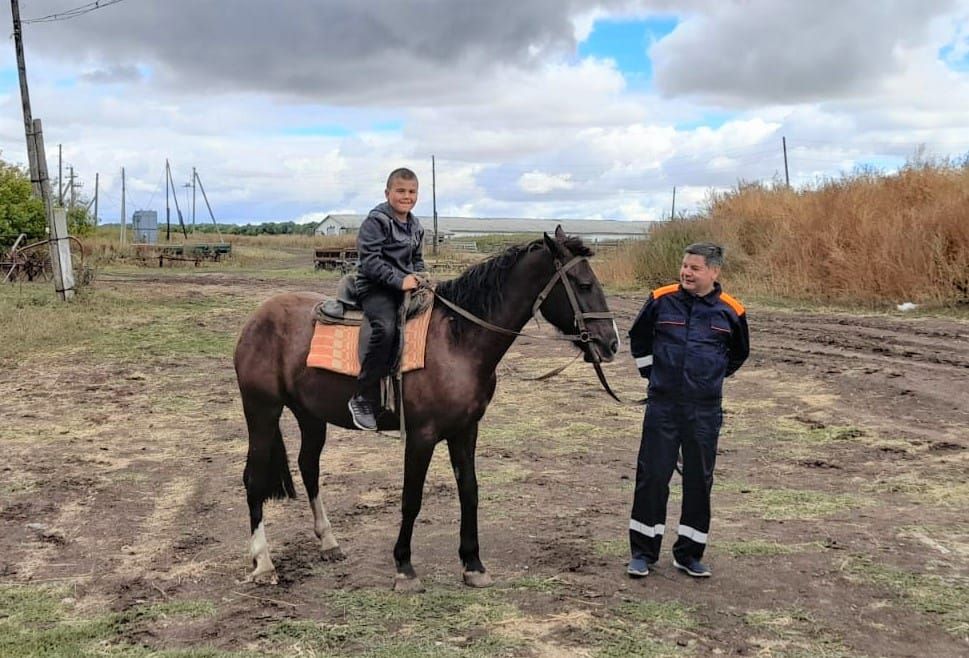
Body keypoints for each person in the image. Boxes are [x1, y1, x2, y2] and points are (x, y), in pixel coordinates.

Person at [626, 242, 749, 579]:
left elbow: (738, 354)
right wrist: (654, 375)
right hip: (662, 406)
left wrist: (708, 379)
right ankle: (642, 553)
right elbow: (638, 339)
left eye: (694, 268)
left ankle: (689, 553)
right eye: (684, 266)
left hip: (704, 412)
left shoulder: (731, 311)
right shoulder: (660, 299)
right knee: (652, 477)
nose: (686, 272)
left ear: (714, 271)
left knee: (698, 480)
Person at [347, 168, 426, 431]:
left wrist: (420, 276)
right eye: (400, 191)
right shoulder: (376, 221)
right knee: (386, 327)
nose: (407, 196)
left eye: (412, 192)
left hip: (405, 287)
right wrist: (399, 281)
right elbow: (370, 262)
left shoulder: (416, 226)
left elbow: (416, 259)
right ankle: (363, 396)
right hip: (374, 287)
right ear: (387, 192)